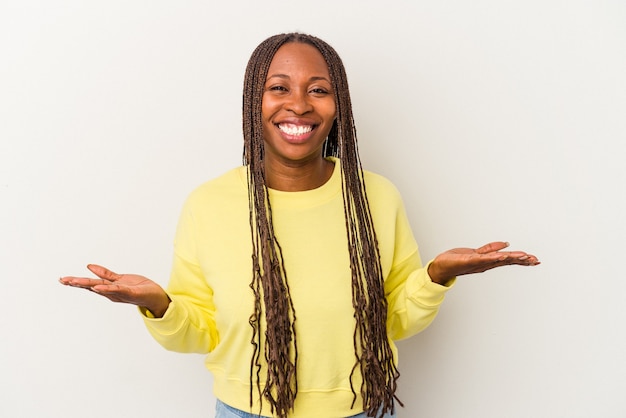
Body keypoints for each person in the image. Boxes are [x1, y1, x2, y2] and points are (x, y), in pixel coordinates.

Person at [59, 33, 540, 418]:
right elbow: (202, 333)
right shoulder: (208, 204)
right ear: (254, 101)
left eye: (319, 89)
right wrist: (158, 304)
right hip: (247, 412)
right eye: (279, 87)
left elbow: (393, 320)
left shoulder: (376, 196)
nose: (300, 104)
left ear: (339, 106)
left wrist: (436, 276)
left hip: (362, 409)